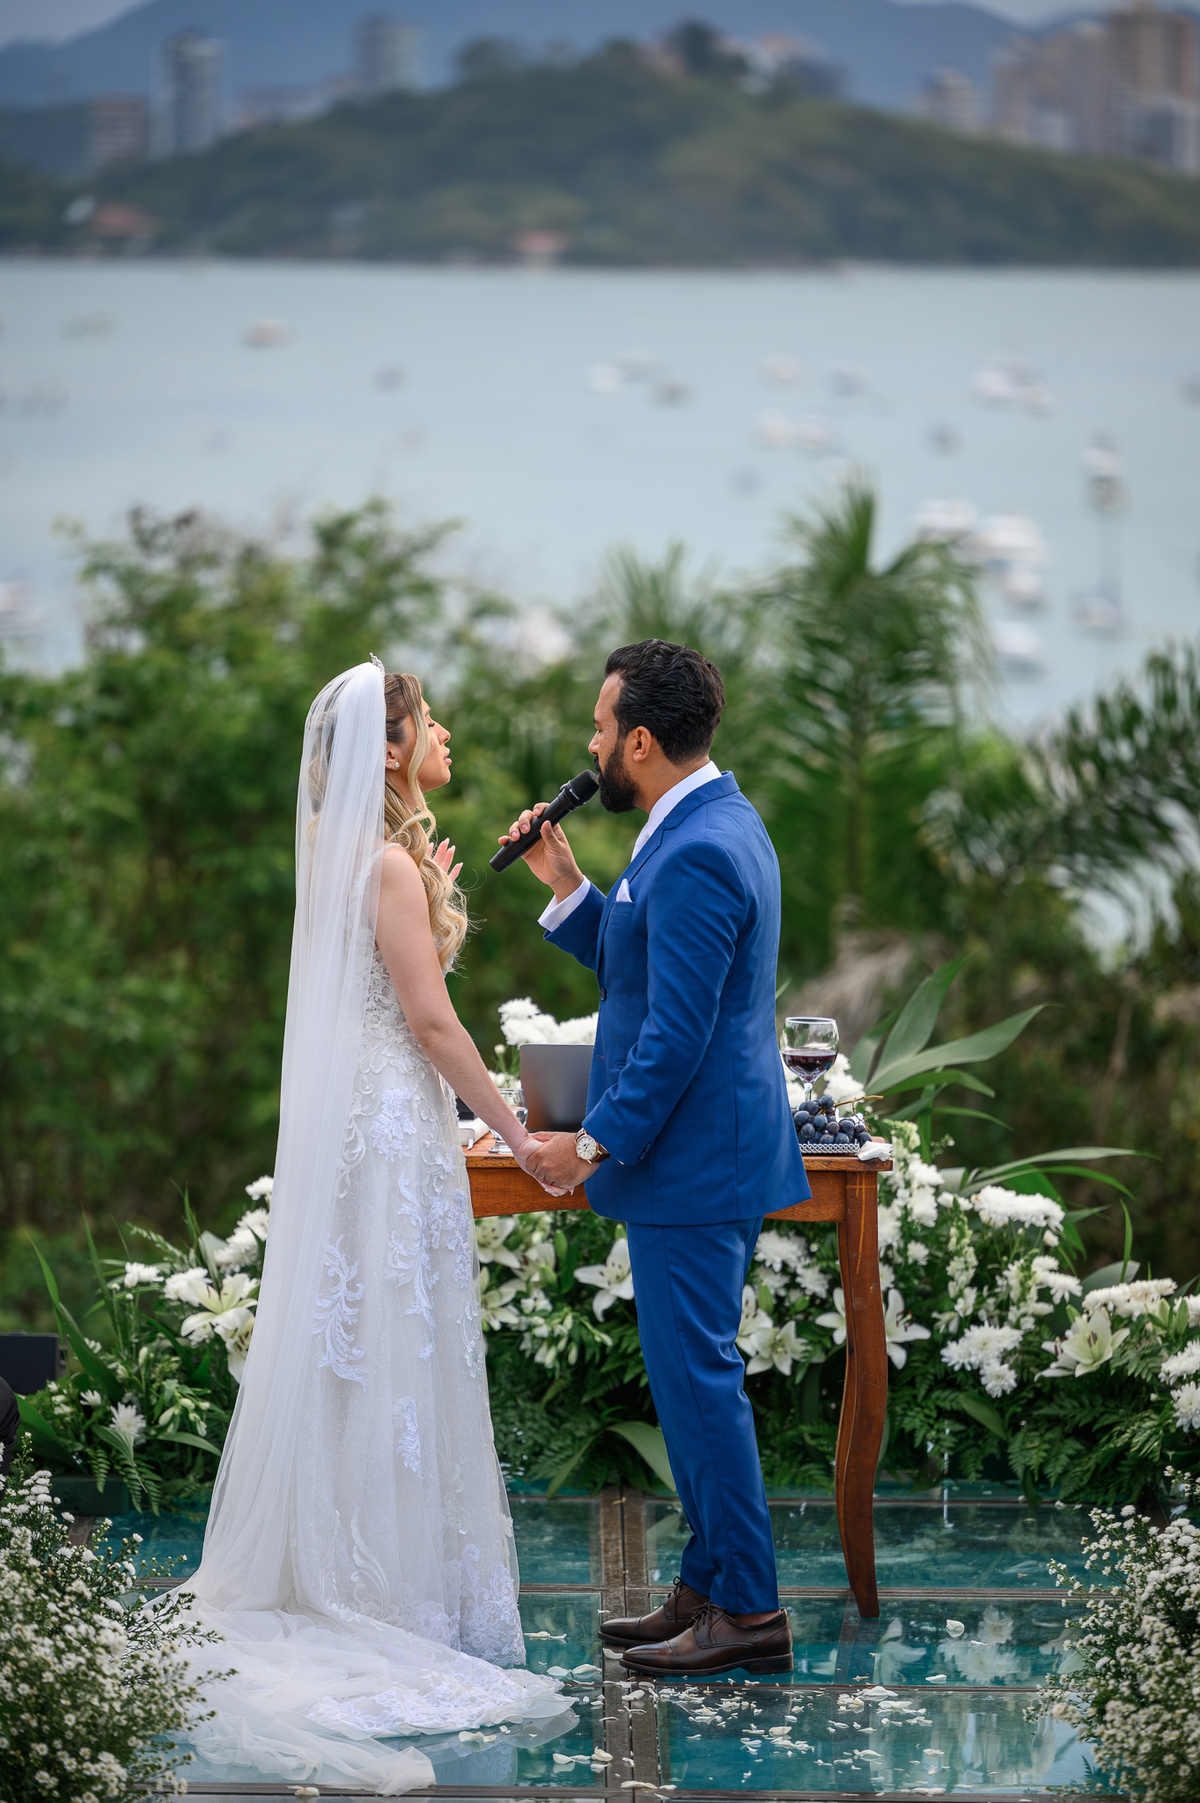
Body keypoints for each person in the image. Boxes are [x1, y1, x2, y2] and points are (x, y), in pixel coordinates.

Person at [184, 660, 566, 1792]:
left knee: (370, 1351)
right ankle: (387, 1599)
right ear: (394, 750)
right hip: (399, 1127)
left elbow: (386, 984)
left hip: (361, 1123)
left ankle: (352, 1566)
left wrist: (430, 906)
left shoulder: (353, 856)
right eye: (430, 721)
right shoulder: (388, 861)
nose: (445, 732)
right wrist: (518, 1135)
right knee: (400, 1343)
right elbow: (433, 1026)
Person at [500, 638, 811, 1679]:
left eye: (599, 729)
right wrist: (566, 889)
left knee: (699, 1385)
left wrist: (586, 1147)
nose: (588, 748)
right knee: (689, 1385)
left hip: (695, 1165)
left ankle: (751, 1612)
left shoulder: (702, 849)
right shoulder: (700, 825)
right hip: (693, 1160)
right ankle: (710, 1582)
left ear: (640, 740)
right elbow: (640, 965)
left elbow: (676, 1035)